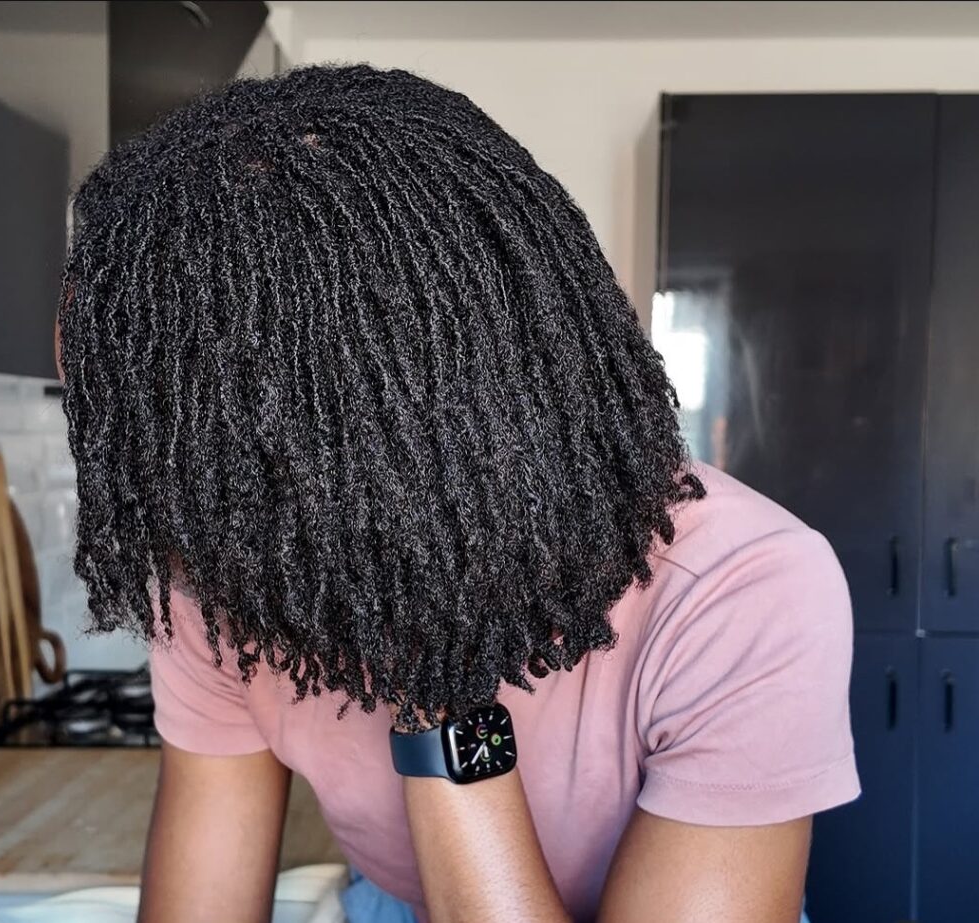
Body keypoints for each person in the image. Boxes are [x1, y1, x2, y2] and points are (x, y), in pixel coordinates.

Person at [56, 64, 859, 923]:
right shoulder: (222, 569)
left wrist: (436, 678)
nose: (151, 499)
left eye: (175, 446)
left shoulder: (745, 588)